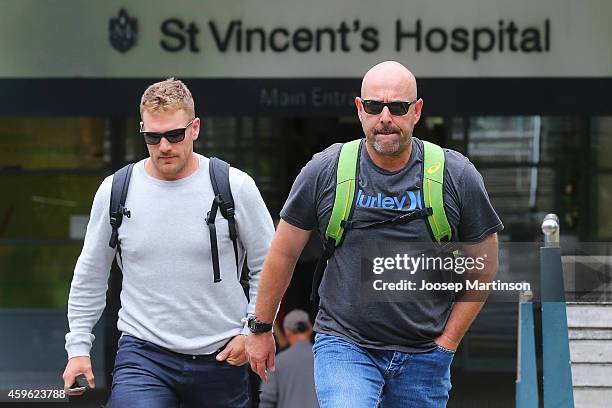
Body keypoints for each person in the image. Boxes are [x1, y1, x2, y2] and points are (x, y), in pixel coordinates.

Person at [246, 61, 503, 407]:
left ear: (417, 111)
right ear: (359, 109)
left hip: (425, 354)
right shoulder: (326, 170)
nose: (385, 117)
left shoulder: (455, 175)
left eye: (397, 107)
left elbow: (484, 263)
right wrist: (261, 328)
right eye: (373, 106)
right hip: (345, 345)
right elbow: (283, 251)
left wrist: (449, 341)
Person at [62, 78, 275, 407]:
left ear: (195, 128)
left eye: (175, 134)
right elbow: (91, 272)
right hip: (144, 354)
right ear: (142, 131)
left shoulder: (234, 186)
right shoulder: (116, 189)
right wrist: (78, 348)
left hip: (221, 356)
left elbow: (269, 264)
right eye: (153, 137)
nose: (164, 146)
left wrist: (252, 330)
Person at [259, 309, 319, 408]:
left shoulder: (277, 362)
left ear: (287, 331)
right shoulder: (322, 359)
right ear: (310, 328)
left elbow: (267, 399)